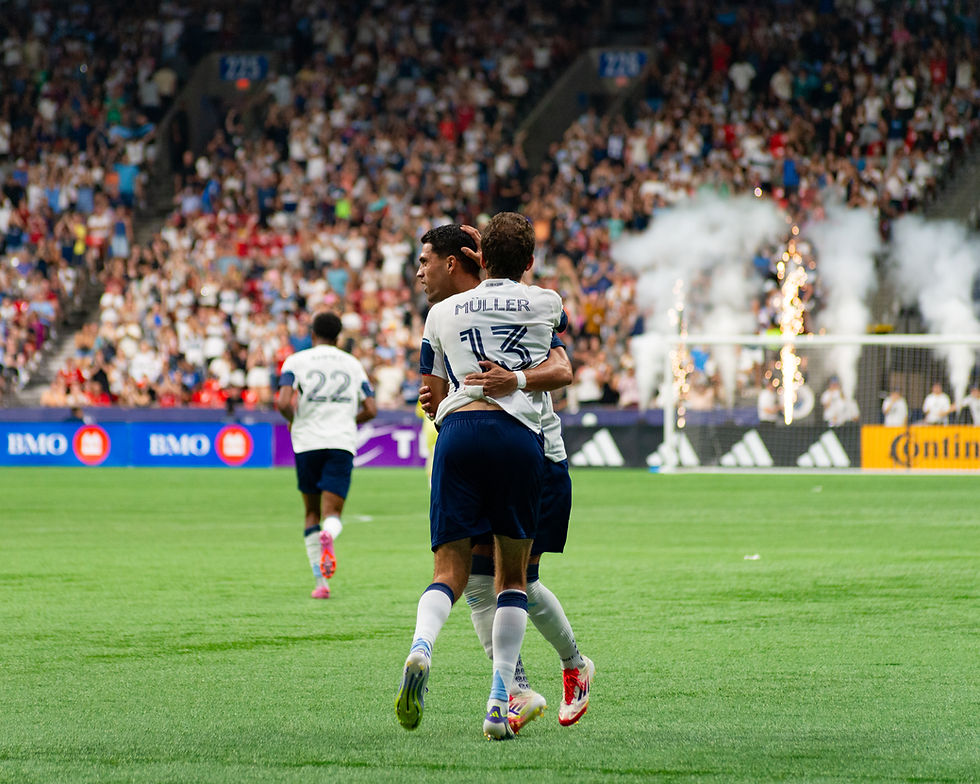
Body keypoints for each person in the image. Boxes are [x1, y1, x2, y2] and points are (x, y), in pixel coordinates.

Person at [395, 213, 567, 741]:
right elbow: (560, 364)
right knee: (511, 578)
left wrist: (442, 403)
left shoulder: (441, 312)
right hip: (518, 438)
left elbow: (430, 393)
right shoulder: (546, 301)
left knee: (449, 571)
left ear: (475, 257)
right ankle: (501, 699)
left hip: (457, 435)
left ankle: (422, 647)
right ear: (530, 262)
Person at [276, 311, 377, 599]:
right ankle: (329, 535)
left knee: (310, 512)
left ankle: (321, 584)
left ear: (312, 335)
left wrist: (294, 418)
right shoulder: (352, 364)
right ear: (338, 337)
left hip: (307, 442)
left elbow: (283, 401)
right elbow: (371, 409)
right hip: (340, 442)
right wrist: (348, 420)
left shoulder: (296, 361)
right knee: (332, 513)